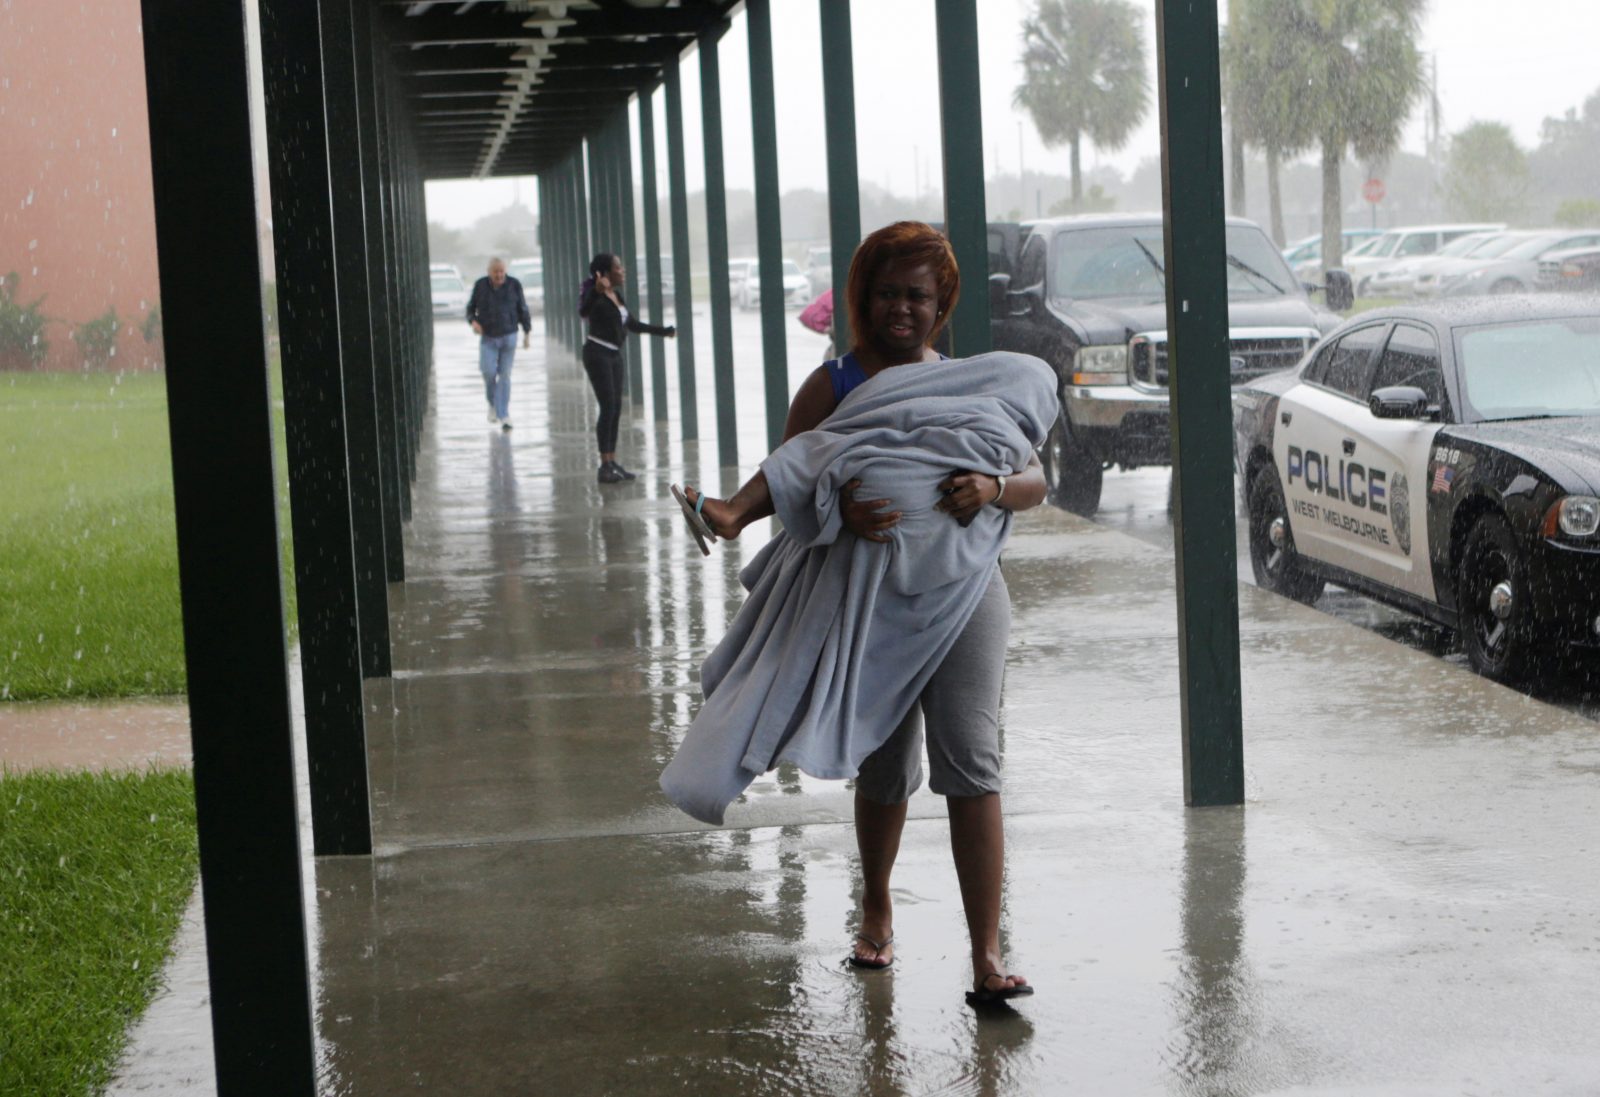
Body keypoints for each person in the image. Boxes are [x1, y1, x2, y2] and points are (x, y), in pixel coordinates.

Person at [676, 221, 1046, 1006]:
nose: (901, 309)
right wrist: (839, 504)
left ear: (941, 301)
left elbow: (1036, 479)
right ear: (862, 299)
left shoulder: (969, 382)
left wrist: (992, 487)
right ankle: (876, 907)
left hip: (967, 590)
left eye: (918, 295)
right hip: (869, 596)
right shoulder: (832, 386)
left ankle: (987, 952)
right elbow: (795, 477)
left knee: (973, 759)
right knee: (885, 763)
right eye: (886, 293)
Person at [578, 253, 676, 484]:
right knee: (607, 406)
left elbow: (632, 324)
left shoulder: (616, 296)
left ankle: (612, 461)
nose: (623, 271)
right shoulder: (596, 295)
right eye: (618, 267)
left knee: (616, 408)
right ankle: (604, 465)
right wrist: (596, 291)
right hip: (597, 353)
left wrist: (665, 331)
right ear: (604, 273)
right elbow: (584, 311)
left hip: (613, 355)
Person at [466, 257, 532, 430]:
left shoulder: (514, 285)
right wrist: (473, 322)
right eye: (495, 272)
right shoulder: (480, 286)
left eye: (502, 271)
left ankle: (504, 414)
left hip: (509, 334)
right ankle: (493, 405)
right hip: (488, 336)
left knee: (505, 374)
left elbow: (522, 308)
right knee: (488, 372)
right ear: (489, 272)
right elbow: (470, 308)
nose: (499, 275)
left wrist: (527, 331)